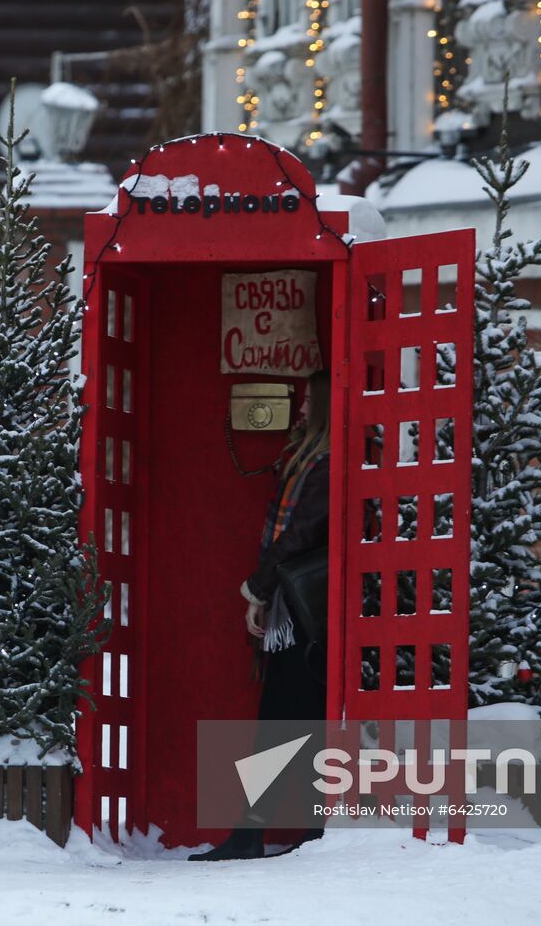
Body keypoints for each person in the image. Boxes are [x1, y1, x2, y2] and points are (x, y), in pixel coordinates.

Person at [190, 369, 331, 862]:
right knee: (299, 723)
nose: (302, 409)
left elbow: (298, 536)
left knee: (283, 723)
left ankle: (263, 833)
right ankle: (302, 833)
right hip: (301, 610)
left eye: (311, 400)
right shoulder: (307, 459)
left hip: (307, 613)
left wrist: (259, 588)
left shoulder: (326, 466)